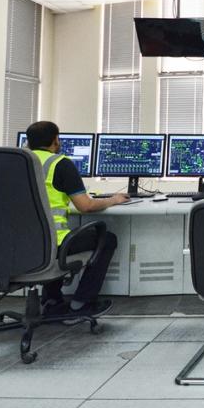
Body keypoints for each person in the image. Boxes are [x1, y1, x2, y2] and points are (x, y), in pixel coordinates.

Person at [24, 121, 129, 319]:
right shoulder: (60, 163)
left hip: (16, 244)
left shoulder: (17, 163)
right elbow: (86, 206)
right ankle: (82, 303)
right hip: (52, 243)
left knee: (48, 240)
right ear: (56, 140)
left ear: (28, 142)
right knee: (107, 239)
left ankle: (52, 300)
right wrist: (114, 199)